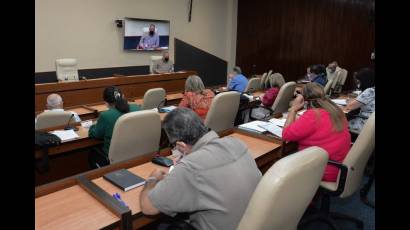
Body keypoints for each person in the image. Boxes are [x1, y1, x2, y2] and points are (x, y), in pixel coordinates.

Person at [140, 108, 262, 230]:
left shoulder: (190, 167)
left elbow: (148, 207)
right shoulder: (237, 143)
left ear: (181, 145)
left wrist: (152, 179)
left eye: (173, 146)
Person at [282, 83, 351, 182]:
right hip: (339, 164)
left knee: (280, 163)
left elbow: (286, 136)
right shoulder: (336, 110)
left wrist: (293, 109)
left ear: (304, 100)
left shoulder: (313, 115)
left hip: (324, 169)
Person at [88, 86, 141, 168]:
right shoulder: (136, 108)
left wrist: (93, 125)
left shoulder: (105, 116)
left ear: (106, 103)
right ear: (123, 96)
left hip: (113, 158)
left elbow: (95, 135)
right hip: (136, 152)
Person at [344, 68, 375, 132]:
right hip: (371, 124)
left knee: (338, 124)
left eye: (359, 80)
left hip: (364, 123)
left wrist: (349, 101)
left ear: (364, 80)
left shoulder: (370, 91)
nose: (358, 82)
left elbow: (350, 106)